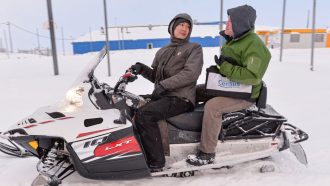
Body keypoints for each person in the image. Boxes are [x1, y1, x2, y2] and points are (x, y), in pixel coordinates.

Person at [186, 5, 271, 166]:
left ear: (240, 24)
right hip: (231, 87)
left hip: (246, 94)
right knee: (196, 91)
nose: (226, 25)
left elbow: (253, 76)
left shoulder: (254, 45)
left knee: (213, 107)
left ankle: (207, 153)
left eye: (230, 22)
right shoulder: (236, 41)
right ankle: (184, 128)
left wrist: (225, 67)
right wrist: (219, 70)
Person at [130, 13, 203, 171]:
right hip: (165, 96)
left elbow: (190, 74)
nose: (185, 29)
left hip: (181, 98)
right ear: (172, 27)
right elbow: (156, 77)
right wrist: (142, 68)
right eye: (181, 25)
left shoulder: (193, 48)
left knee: (144, 114)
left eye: (188, 27)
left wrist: (164, 86)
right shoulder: (163, 51)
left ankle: (156, 162)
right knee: (132, 106)